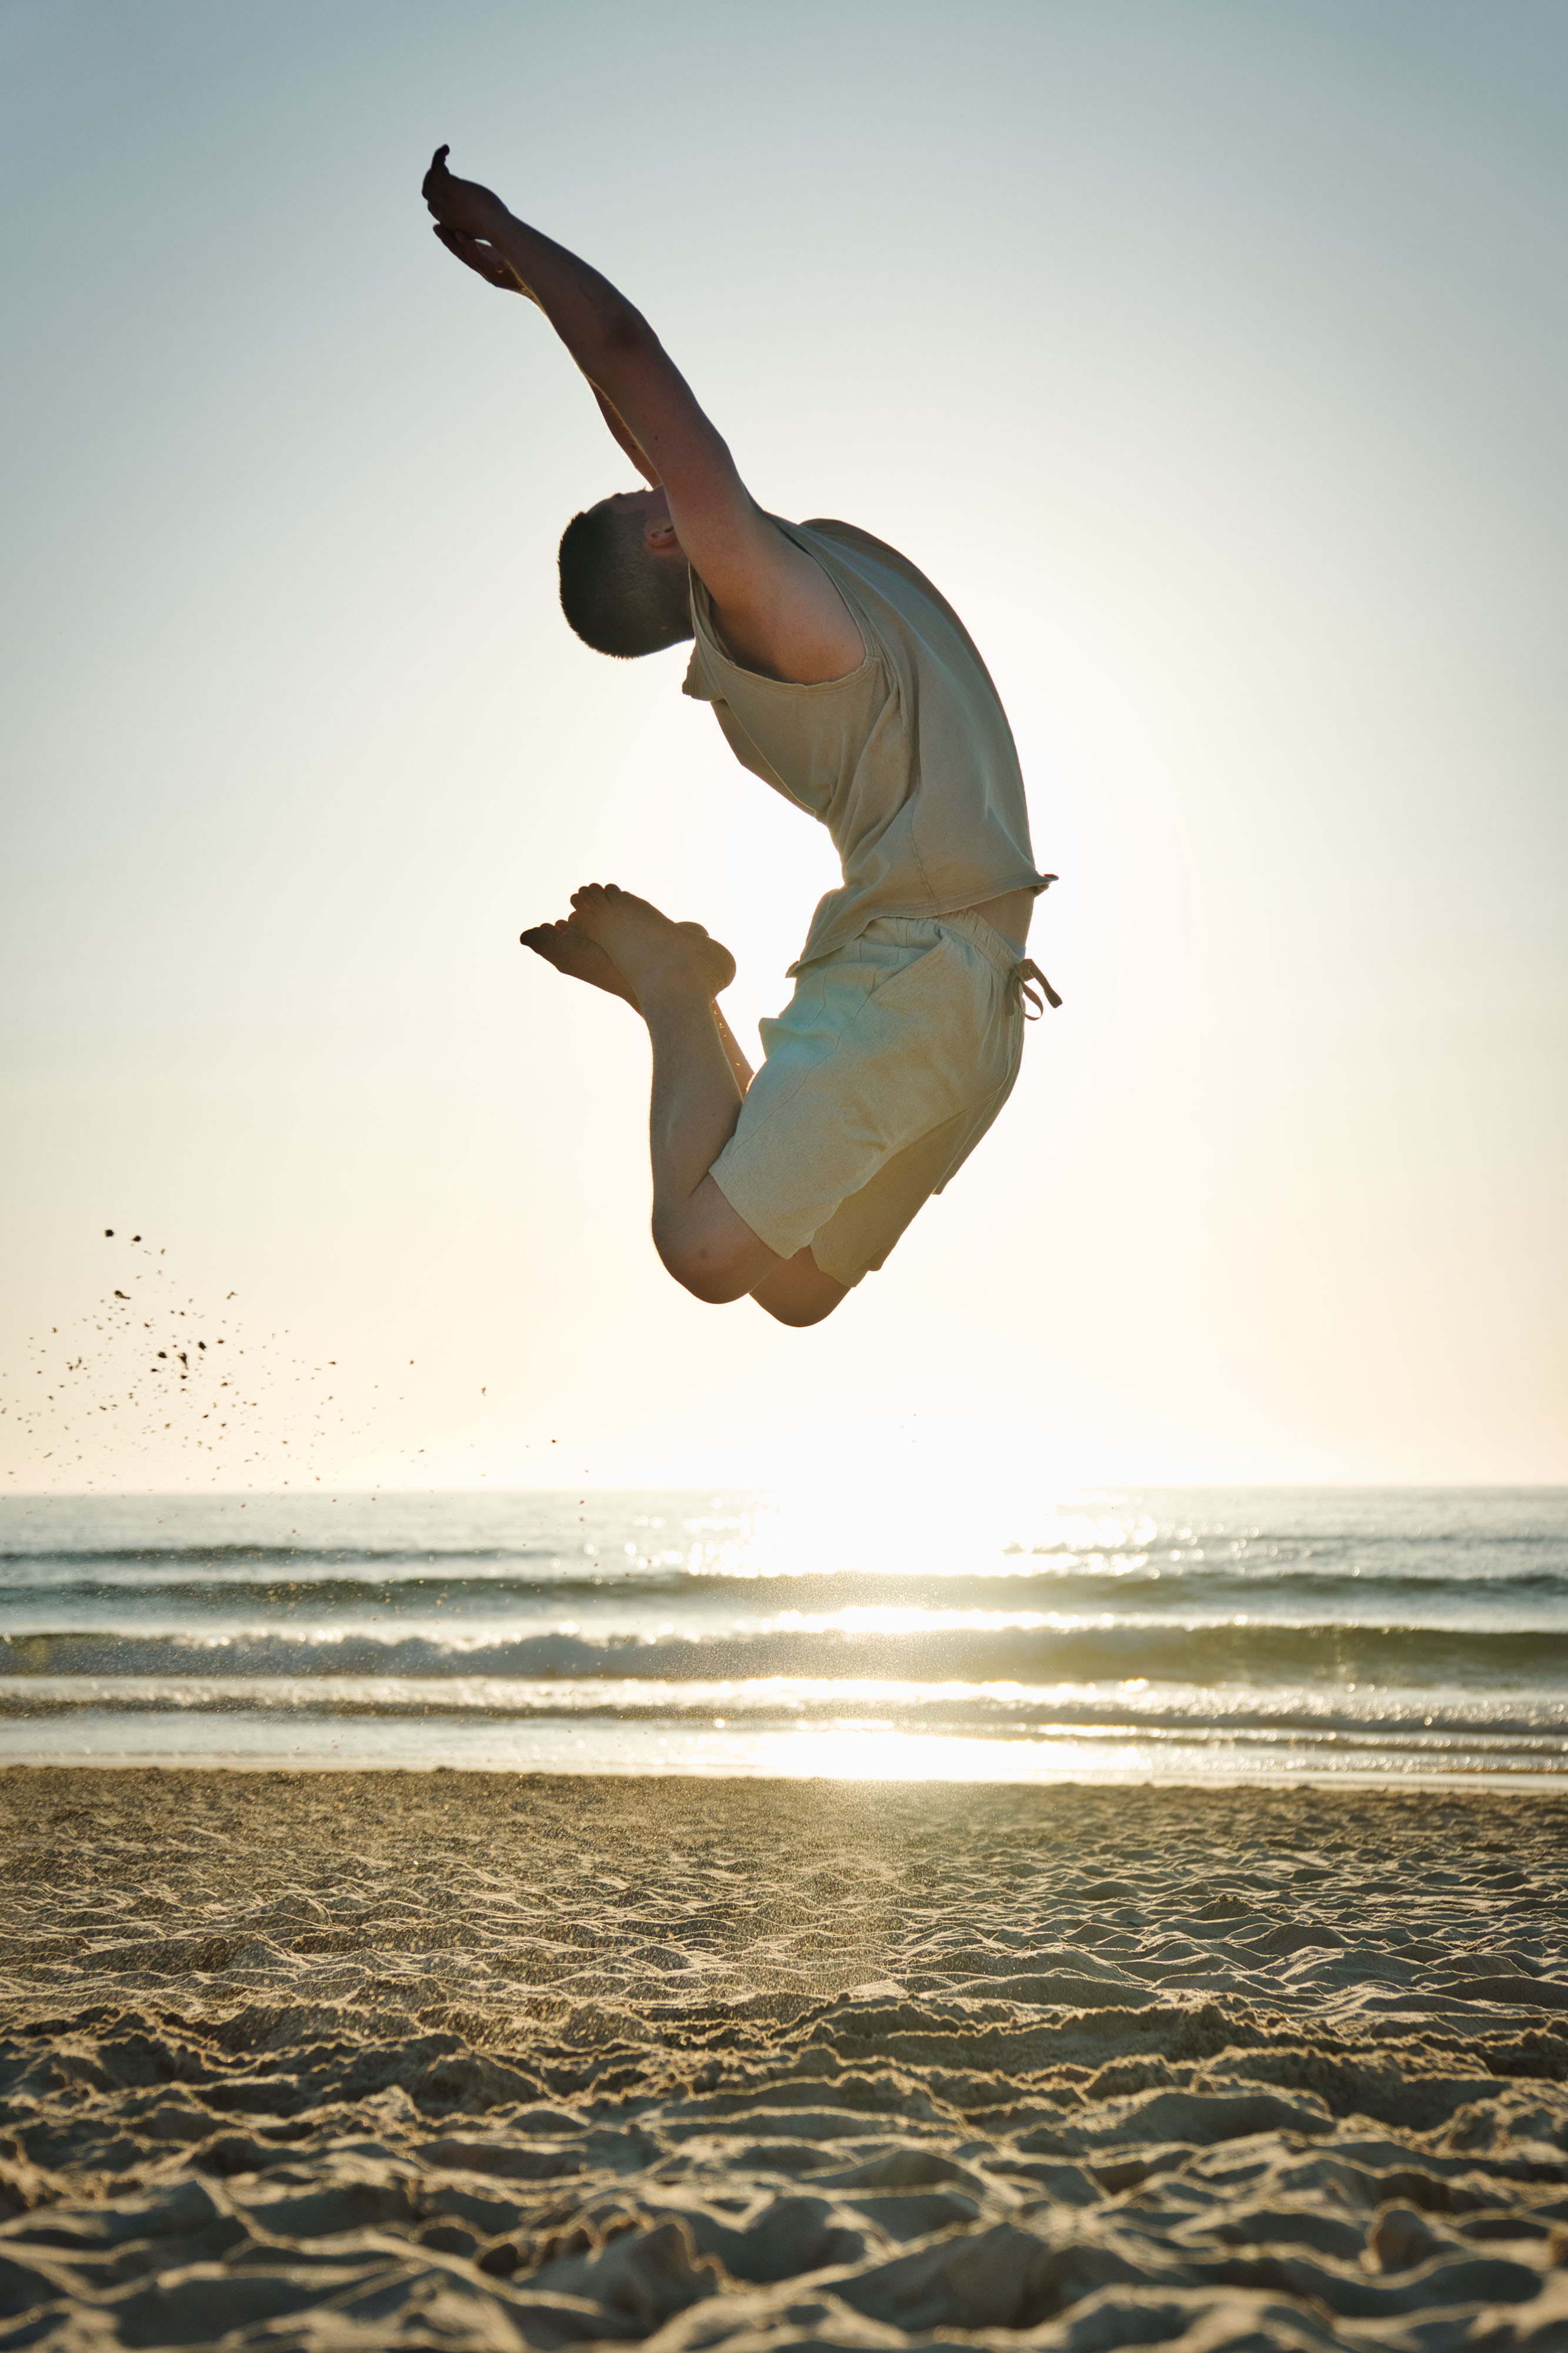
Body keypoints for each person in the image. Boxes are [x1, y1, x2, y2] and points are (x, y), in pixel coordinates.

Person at [422, 146, 1059, 1329]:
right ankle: (673, 985)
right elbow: (632, 359)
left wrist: (528, 297)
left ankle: (687, 991)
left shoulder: (790, 582)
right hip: (924, 971)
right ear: (667, 541)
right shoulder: (773, 603)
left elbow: (627, 405)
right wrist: (508, 232)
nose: (657, 476)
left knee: (797, 1286)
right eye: (647, 495)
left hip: (978, 991)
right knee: (706, 1250)